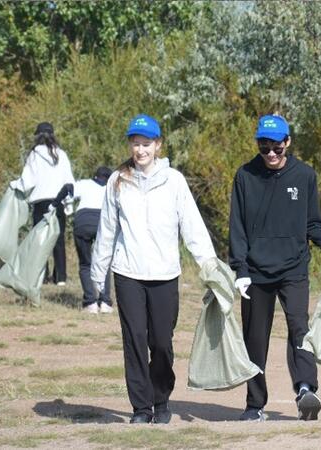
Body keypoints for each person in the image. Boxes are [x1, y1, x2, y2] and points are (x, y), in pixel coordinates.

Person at [90, 114, 216, 424]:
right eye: (136, 144)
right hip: (128, 272)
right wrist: (98, 275)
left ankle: (161, 400)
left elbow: (192, 227)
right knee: (134, 339)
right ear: (130, 145)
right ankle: (141, 409)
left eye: (146, 144)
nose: (140, 150)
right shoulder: (117, 180)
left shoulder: (174, 180)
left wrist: (209, 266)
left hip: (164, 274)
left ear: (157, 145)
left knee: (161, 342)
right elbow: (106, 229)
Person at [228, 114, 321, 422]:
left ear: (288, 143)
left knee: (300, 329)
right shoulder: (245, 176)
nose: (270, 153)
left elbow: (313, 224)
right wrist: (239, 268)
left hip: (293, 268)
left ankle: (306, 389)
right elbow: (237, 228)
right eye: (263, 146)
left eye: (276, 147)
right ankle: (254, 404)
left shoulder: (304, 175)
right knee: (255, 339)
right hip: (255, 272)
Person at [11, 122, 76, 285]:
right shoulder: (61, 154)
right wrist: (69, 202)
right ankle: (60, 278)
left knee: (40, 239)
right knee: (58, 239)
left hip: (40, 202)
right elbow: (69, 180)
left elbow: (28, 180)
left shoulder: (34, 155)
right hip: (58, 200)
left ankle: (42, 275)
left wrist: (15, 185)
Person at [50, 166, 114, 314]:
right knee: (104, 263)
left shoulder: (85, 184)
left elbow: (67, 187)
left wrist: (54, 204)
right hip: (103, 223)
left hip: (83, 222)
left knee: (85, 264)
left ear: (95, 176)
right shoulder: (112, 187)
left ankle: (90, 303)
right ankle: (105, 302)